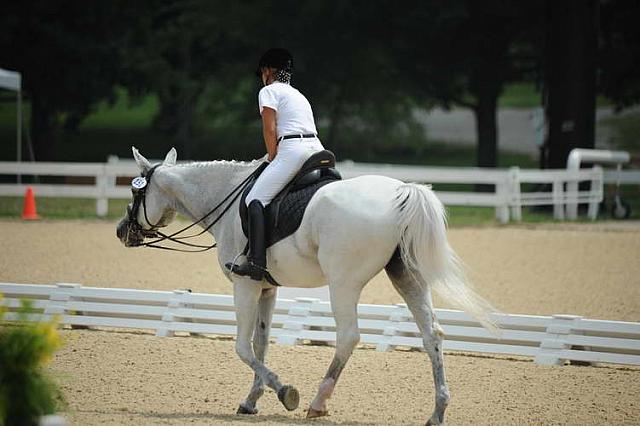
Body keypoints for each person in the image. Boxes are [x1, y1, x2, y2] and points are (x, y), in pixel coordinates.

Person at [226, 48, 325, 281]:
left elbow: (270, 129)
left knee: (254, 199)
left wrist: (272, 156)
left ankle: (257, 263)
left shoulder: (268, 91)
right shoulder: (299, 94)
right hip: (318, 149)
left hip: (293, 150)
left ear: (268, 71)